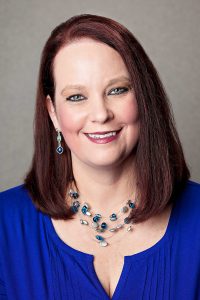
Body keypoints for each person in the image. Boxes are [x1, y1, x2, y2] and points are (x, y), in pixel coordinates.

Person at [0, 13, 200, 300]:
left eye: (117, 90)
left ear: (143, 97)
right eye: (76, 97)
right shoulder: (4, 225)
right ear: (53, 112)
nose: (100, 114)